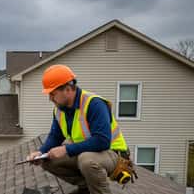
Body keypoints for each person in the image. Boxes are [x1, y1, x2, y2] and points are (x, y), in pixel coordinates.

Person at [27, 64, 129, 194]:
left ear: (68, 89)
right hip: (86, 152)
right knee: (48, 160)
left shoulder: (94, 104)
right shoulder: (60, 109)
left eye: (53, 94)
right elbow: (55, 136)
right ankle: (86, 186)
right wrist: (40, 153)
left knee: (87, 161)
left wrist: (66, 149)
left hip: (113, 154)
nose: (50, 99)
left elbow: (102, 141)